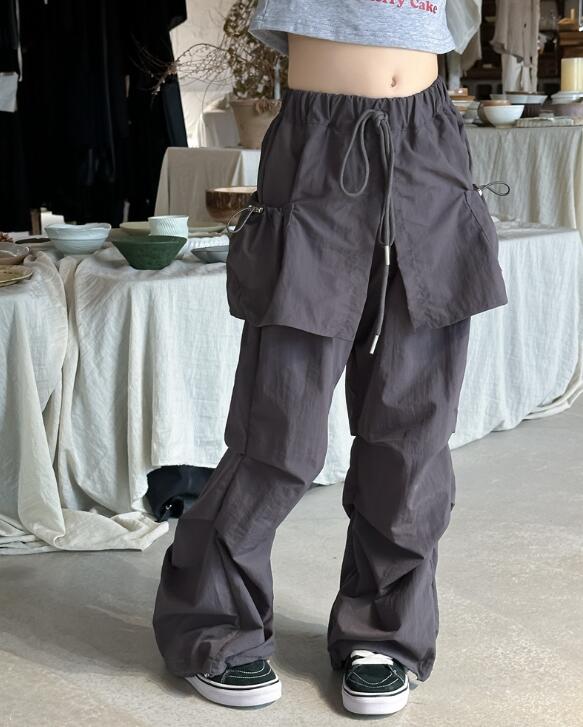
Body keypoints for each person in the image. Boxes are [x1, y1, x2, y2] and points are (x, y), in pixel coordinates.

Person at [153, 0, 509, 717]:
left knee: (412, 425)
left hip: (429, 141)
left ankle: (384, 631)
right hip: (319, 144)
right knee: (277, 427)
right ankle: (216, 623)